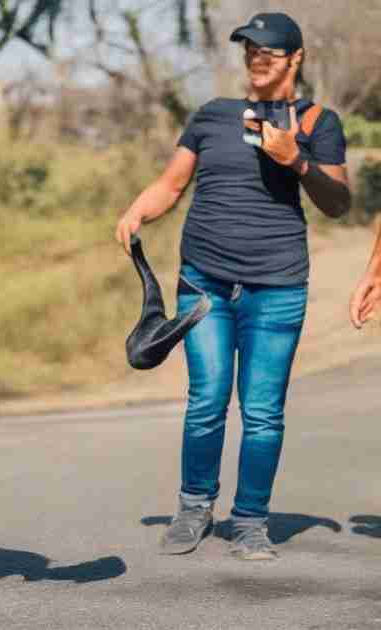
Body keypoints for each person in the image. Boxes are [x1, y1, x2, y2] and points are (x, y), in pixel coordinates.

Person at [115, 12, 351, 561]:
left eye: (269, 50)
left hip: (278, 286)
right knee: (206, 401)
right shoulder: (212, 116)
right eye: (250, 49)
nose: (258, 58)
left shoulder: (319, 123)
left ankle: (249, 522)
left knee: (263, 411)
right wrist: (136, 211)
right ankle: (194, 507)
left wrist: (297, 161)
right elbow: (172, 183)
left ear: (296, 58)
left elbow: (338, 204)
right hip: (204, 282)